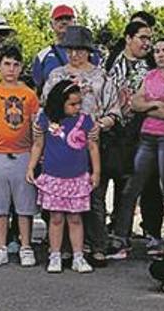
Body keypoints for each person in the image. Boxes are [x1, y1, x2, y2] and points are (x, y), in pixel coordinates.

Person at [42, 25, 120, 268]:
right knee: (58, 199)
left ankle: (97, 245)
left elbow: (115, 109)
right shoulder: (56, 75)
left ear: (89, 51)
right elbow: (46, 106)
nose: (74, 54)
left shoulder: (101, 77)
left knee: (92, 195)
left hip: (92, 140)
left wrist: (102, 124)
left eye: (79, 50)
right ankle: (62, 248)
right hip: (60, 142)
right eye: (70, 50)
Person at [27, 80, 100, 274]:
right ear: (60, 102)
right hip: (53, 177)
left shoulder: (85, 120)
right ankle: (55, 255)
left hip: (77, 177)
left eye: (79, 103)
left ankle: (78, 256)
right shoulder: (45, 119)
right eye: (72, 104)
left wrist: (96, 172)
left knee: (75, 218)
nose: (77, 108)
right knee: (56, 218)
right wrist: (31, 166)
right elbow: (38, 144)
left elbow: (93, 147)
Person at [113, 37, 164, 257]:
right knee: (132, 186)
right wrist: (156, 104)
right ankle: (120, 237)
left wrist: (148, 107)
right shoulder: (150, 76)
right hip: (147, 136)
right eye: (157, 51)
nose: (159, 54)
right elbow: (135, 103)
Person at [0, 46, 41, 267]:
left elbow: (36, 127)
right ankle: (0, 246)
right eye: (7, 64)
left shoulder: (30, 95)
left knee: (25, 205)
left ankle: (26, 246)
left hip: (23, 155)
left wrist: (35, 156)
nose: (11, 69)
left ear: (21, 67)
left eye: (15, 64)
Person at [104, 20, 154, 256]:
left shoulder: (151, 64)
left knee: (130, 186)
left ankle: (121, 235)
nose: (147, 43)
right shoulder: (110, 60)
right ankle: (102, 234)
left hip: (139, 131)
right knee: (103, 181)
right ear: (128, 38)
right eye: (142, 37)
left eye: (149, 39)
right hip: (111, 130)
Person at [31, 4, 101, 90]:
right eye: (59, 19)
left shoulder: (93, 53)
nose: (64, 22)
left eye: (68, 18)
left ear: (75, 22)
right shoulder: (42, 56)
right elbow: (37, 87)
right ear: (51, 24)